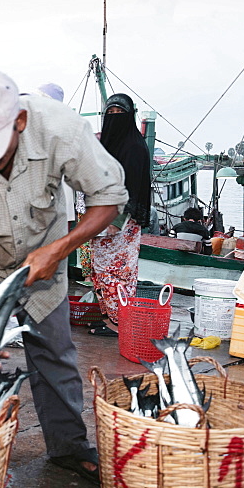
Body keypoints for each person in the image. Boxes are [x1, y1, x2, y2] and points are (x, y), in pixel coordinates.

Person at [0, 70, 128, 484]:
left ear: (19, 121)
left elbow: (109, 197)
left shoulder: (61, 129)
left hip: (44, 255)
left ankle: (69, 447)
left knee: (55, 353)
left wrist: (59, 249)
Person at [86, 93, 151, 336]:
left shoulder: (133, 147)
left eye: (119, 114)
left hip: (120, 221)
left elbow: (132, 188)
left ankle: (118, 323)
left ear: (130, 116)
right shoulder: (107, 146)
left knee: (119, 273)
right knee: (101, 270)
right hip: (102, 217)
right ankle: (109, 318)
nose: (114, 118)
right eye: (110, 113)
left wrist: (116, 221)